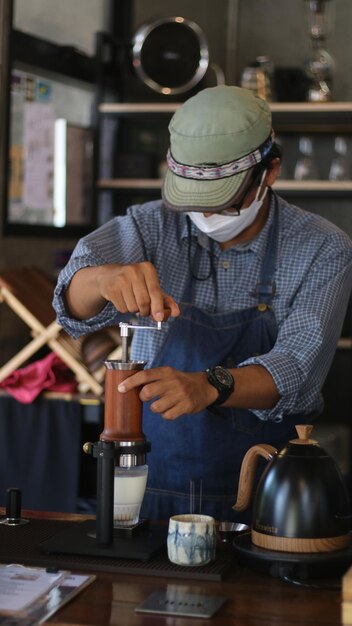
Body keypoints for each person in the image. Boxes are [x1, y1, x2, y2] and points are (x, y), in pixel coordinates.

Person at [53, 85, 352, 522]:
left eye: (223, 202)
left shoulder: (322, 248)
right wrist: (101, 278)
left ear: (270, 171)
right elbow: (69, 305)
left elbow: (298, 369)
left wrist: (209, 385)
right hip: (146, 486)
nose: (206, 215)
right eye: (194, 201)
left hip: (267, 494)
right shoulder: (149, 225)